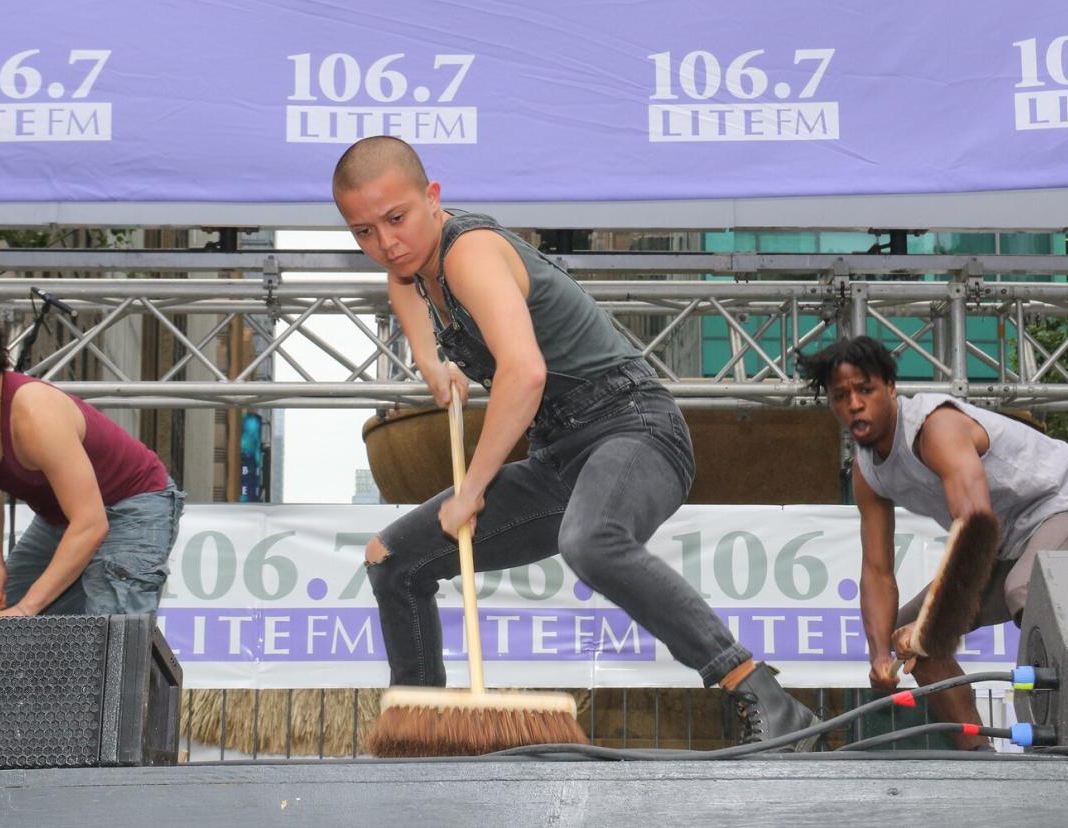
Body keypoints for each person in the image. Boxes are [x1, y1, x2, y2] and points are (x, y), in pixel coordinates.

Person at [332, 135, 819, 749]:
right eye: (364, 233)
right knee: (392, 560)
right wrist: (432, 362)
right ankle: (424, 734)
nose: (386, 243)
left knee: (590, 541)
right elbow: (402, 280)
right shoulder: (415, 264)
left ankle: (761, 692)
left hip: (634, 426)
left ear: (433, 197)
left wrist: (471, 491)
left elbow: (525, 374)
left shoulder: (469, 254)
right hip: (560, 455)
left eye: (396, 219)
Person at [797, 335, 1068, 749]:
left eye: (865, 390)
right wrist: (879, 654)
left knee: (1025, 588)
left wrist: (932, 624)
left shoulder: (935, 427)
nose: (854, 404)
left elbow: (975, 527)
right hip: (1006, 547)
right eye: (841, 396)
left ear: (891, 388)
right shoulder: (867, 472)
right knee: (909, 639)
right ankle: (979, 759)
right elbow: (877, 570)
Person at [0, 288, 185, 617]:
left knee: (110, 643)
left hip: (133, 504)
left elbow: (91, 524)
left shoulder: (35, 413)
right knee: (0, 633)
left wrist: (27, 609)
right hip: (61, 518)